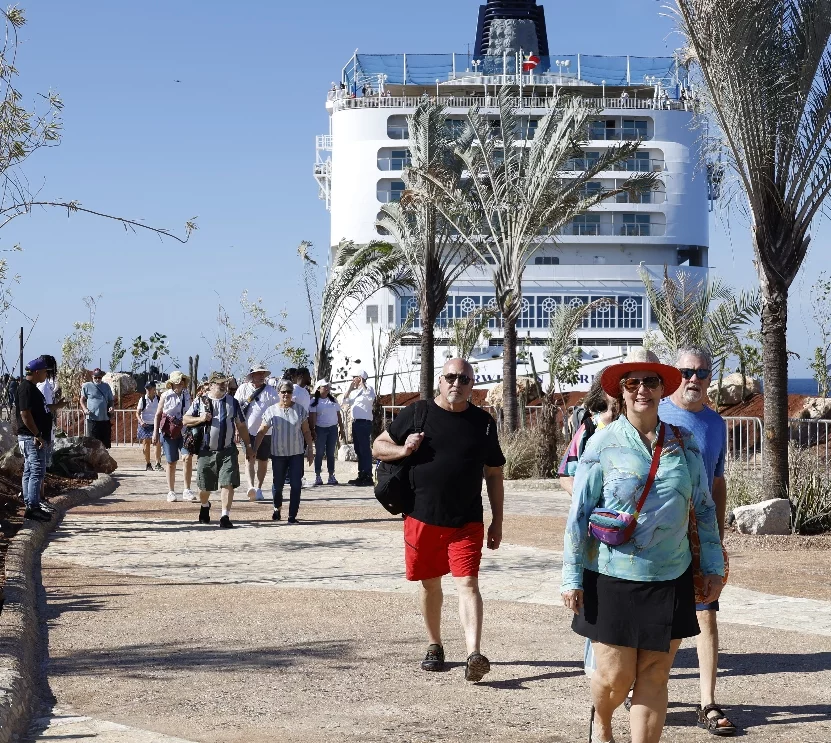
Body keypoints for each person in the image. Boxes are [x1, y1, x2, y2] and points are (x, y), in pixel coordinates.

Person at [561, 348, 725, 743]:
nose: (642, 390)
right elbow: (579, 513)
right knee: (615, 678)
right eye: (632, 382)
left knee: (654, 674)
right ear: (620, 391)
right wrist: (571, 576)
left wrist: (715, 566)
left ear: (660, 389)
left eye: (650, 382)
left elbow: (703, 508)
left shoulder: (684, 444)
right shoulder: (601, 442)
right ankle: (601, 719)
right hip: (611, 575)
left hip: (671, 574)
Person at [372, 358, 505, 683]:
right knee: (430, 585)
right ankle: (435, 645)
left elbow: (494, 473)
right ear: (440, 382)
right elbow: (378, 446)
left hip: (467, 521)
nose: (456, 383)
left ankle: (474, 654)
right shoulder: (417, 413)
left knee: (468, 584)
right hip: (422, 517)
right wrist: (404, 450)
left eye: (464, 378)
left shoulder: (483, 423)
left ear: (472, 385)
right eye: (450, 377)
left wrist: (497, 520)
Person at [659, 347, 736, 736]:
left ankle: (707, 701)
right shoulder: (655, 413)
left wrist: (716, 537)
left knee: (706, 612)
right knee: (665, 616)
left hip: (699, 534)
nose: (694, 379)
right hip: (659, 534)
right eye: (686, 371)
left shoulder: (715, 424)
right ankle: (651, 688)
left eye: (702, 373)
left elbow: (718, 481)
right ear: (675, 374)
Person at [183, 372, 255, 529]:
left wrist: (248, 447)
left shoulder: (233, 402)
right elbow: (185, 419)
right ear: (210, 384)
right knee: (204, 489)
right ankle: (204, 505)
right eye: (219, 383)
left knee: (227, 483)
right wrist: (201, 419)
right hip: (206, 451)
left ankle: (225, 515)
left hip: (228, 451)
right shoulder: (200, 401)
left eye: (225, 383)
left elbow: (241, 426)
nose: (223, 385)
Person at [254, 379, 314, 523]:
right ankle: (277, 508)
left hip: (296, 453)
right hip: (278, 454)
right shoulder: (271, 410)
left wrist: (311, 449)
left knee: (296, 484)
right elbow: (262, 431)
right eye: (283, 392)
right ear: (278, 393)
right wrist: (254, 449)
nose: (286, 394)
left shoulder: (300, 410)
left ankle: (292, 515)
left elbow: (306, 431)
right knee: (278, 484)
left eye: (289, 392)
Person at [558, 372, 620, 495]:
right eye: (612, 387)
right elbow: (566, 475)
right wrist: (584, 501)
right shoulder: (590, 427)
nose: (619, 392)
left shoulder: (645, 428)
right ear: (602, 394)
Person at [16, 357, 54, 522]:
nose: (46, 374)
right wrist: (37, 435)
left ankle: (31, 504)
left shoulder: (32, 388)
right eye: (45, 371)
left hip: (33, 437)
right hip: (32, 438)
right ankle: (33, 507)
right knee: (36, 471)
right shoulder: (26, 389)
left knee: (30, 471)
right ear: (37, 372)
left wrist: (56, 407)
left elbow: (39, 410)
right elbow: (25, 414)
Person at [235, 364, 279, 501]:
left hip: (267, 432)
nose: (261, 376)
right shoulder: (242, 389)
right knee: (249, 458)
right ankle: (251, 486)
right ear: (252, 375)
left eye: (263, 374)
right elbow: (236, 410)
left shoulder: (271, 391)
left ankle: (259, 488)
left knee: (263, 461)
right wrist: (237, 429)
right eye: (258, 373)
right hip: (247, 431)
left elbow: (277, 409)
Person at [152, 371, 196, 502]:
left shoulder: (187, 395)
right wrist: (155, 432)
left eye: (182, 380)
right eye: (177, 381)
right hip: (169, 432)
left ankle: (187, 489)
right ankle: (171, 491)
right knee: (171, 462)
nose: (180, 383)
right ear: (171, 383)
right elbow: (158, 414)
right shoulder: (165, 396)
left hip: (184, 430)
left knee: (187, 457)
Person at [343, 367, 375, 486]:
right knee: (358, 449)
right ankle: (361, 474)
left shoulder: (369, 389)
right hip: (356, 422)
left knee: (364, 449)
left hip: (364, 423)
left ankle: (367, 475)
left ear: (360, 378)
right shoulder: (355, 392)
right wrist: (350, 390)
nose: (352, 380)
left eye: (354, 378)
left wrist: (363, 384)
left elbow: (371, 398)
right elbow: (345, 401)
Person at [309, 379, 344, 486]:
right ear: (319, 389)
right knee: (319, 453)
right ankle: (318, 475)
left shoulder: (333, 400)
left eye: (328, 386)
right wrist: (313, 430)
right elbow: (312, 417)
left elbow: (338, 415)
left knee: (331, 453)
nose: (327, 388)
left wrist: (341, 428)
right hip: (320, 429)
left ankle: (331, 475)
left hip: (332, 429)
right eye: (324, 386)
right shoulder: (314, 401)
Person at [80, 368, 114, 449]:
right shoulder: (87, 386)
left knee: (104, 444)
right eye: (96, 377)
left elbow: (111, 400)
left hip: (104, 419)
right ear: (92, 377)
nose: (97, 379)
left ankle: (103, 460)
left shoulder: (106, 386)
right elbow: (82, 400)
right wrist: (85, 409)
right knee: (92, 443)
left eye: (99, 377)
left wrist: (111, 407)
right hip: (92, 419)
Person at [136, 381, 162, 472]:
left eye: (149, 388)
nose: (147, 390)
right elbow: (137, 413)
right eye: (146, 388)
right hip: (145, 424)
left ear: (154, 389)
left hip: (156, 424)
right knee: (146, 443)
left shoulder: (158, 399)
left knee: (157, 443)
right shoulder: (142, 399)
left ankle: (158, 463)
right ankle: (148, 463)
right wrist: (141, 422)